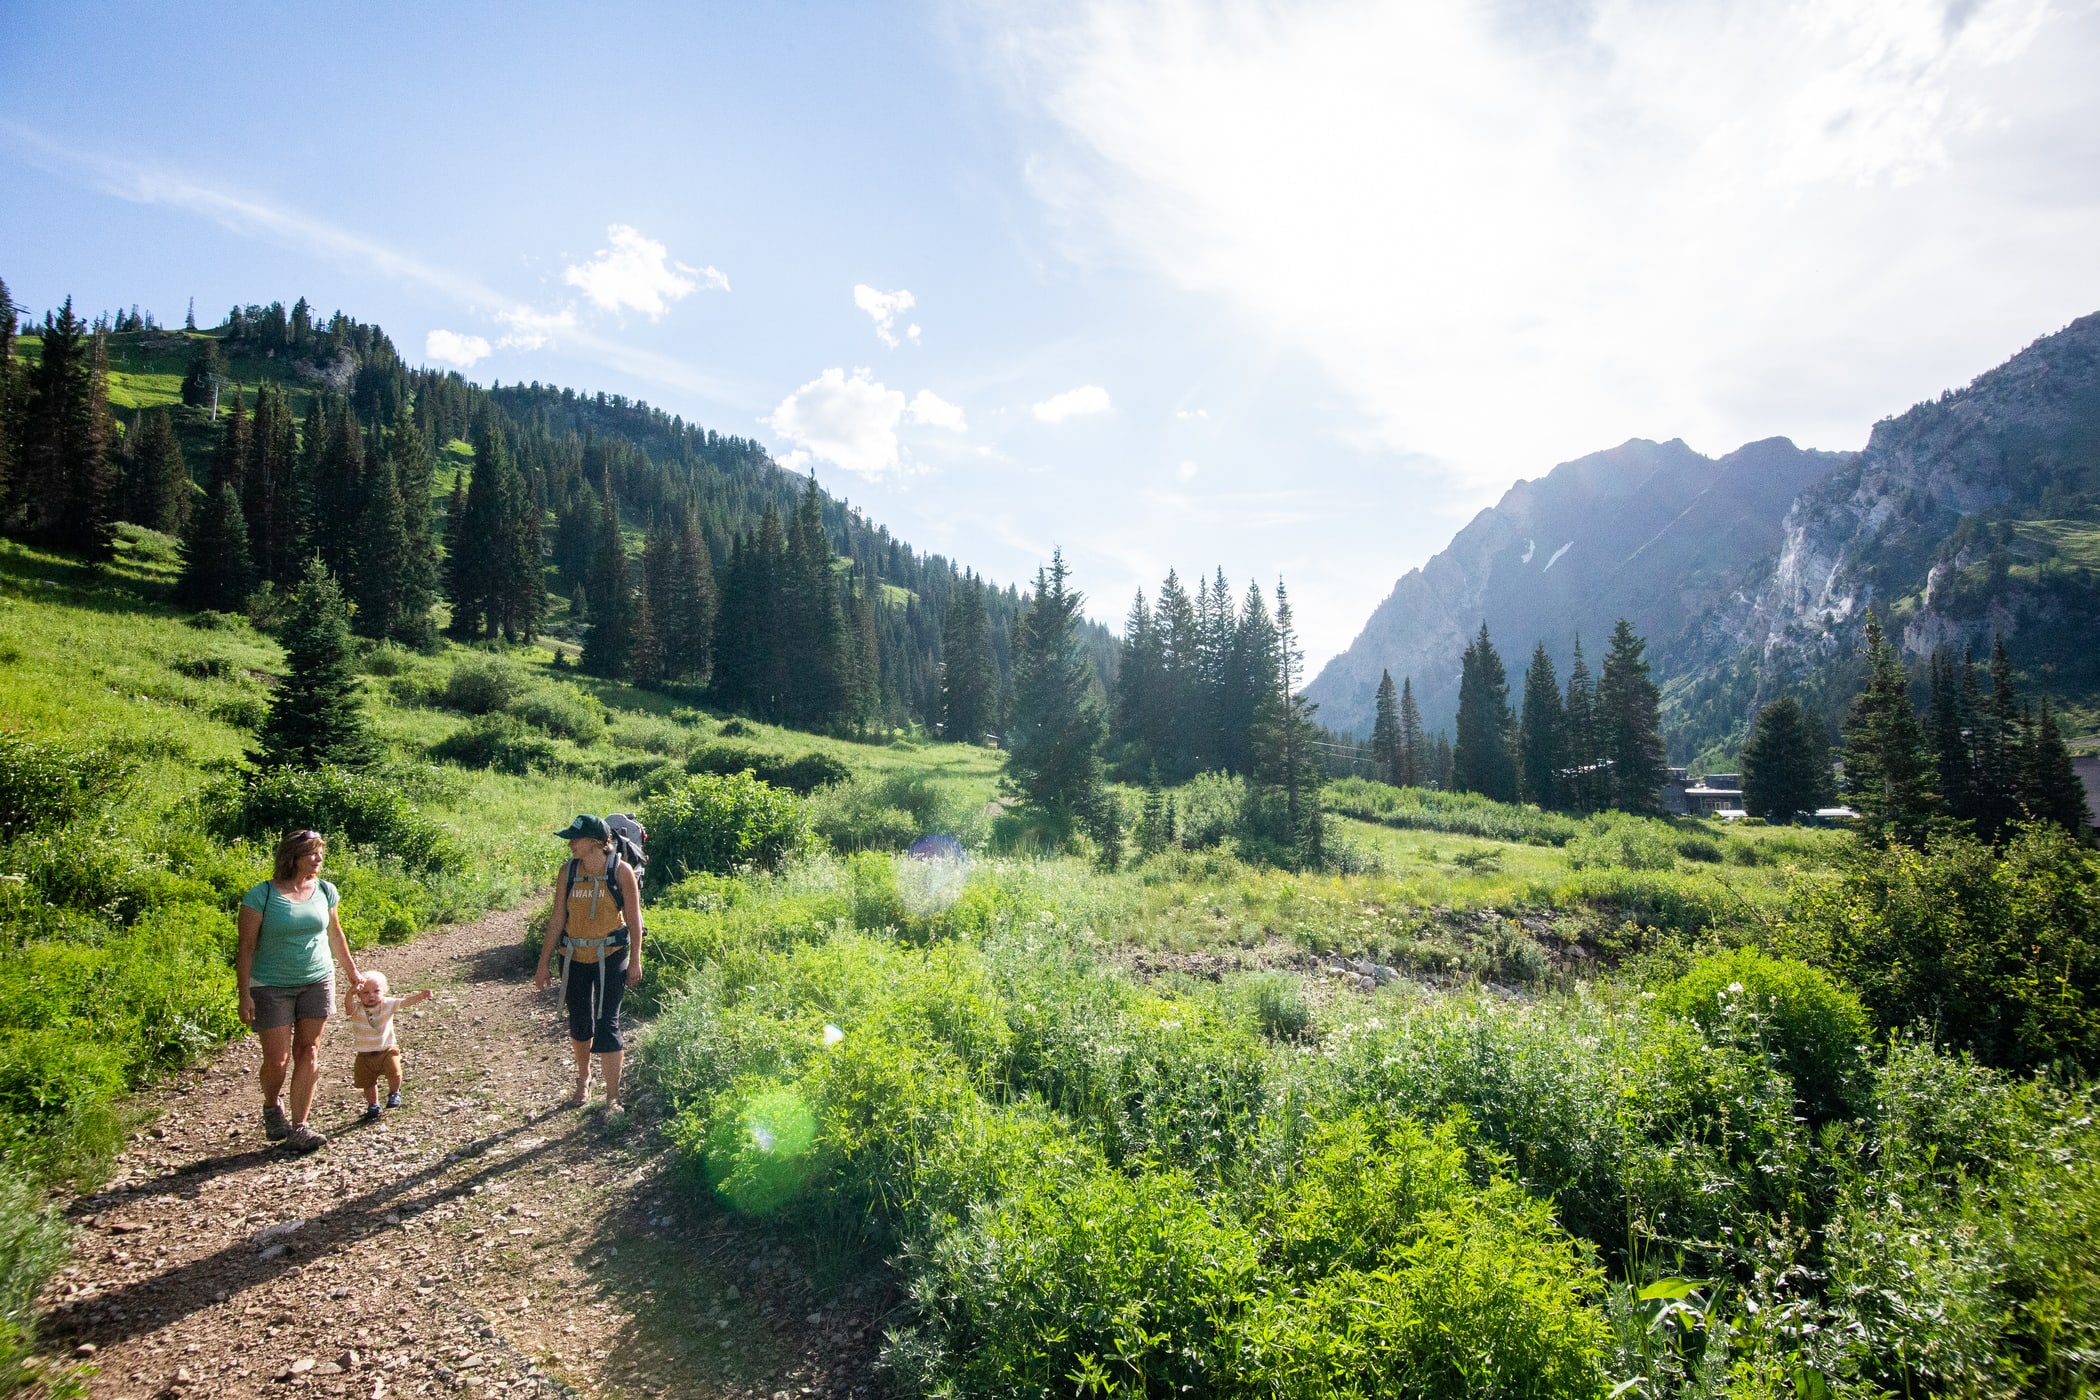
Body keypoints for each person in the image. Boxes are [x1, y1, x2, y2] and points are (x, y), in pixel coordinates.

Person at [237, 829, 361, 1153]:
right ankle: (270, 1104)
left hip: (316, 980)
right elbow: (246, 948)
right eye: (312, 853)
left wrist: (352, 974)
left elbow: (336, 935)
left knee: (309, 1050)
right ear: (292, 857)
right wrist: (244, 994)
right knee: (277, 1061)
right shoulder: (260, 896)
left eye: (320, 853)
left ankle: (299, 1127)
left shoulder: (325, 891)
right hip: (270, 985)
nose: (319, 859)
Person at [534, 815, 644, 1110]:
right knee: (580, 1022)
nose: (570, 844)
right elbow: (558, 917)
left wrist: (635, 961)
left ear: (595, 843)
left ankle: (612, 1096)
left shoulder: (621, 872)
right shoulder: (567, 871)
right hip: (573, 956)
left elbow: (634, 921)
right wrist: (543, 962)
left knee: (607, 1023)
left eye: (575, 839)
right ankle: (584, 1079)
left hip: (611, 954)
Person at [343, 970, 434, 1120]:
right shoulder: (357, 1009)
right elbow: (347, 1008)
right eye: (365, 992)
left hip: (387, 1049)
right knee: (368, 1082)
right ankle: (373, 1105)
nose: (371, 995)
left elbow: (404, 1002)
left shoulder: (387, 1004)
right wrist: (350, 993)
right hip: (365, 1054)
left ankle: (394, 1092)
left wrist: (421, 996)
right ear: (358, 995)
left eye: (376, 991)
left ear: (384, 991)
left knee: (395, 1071)